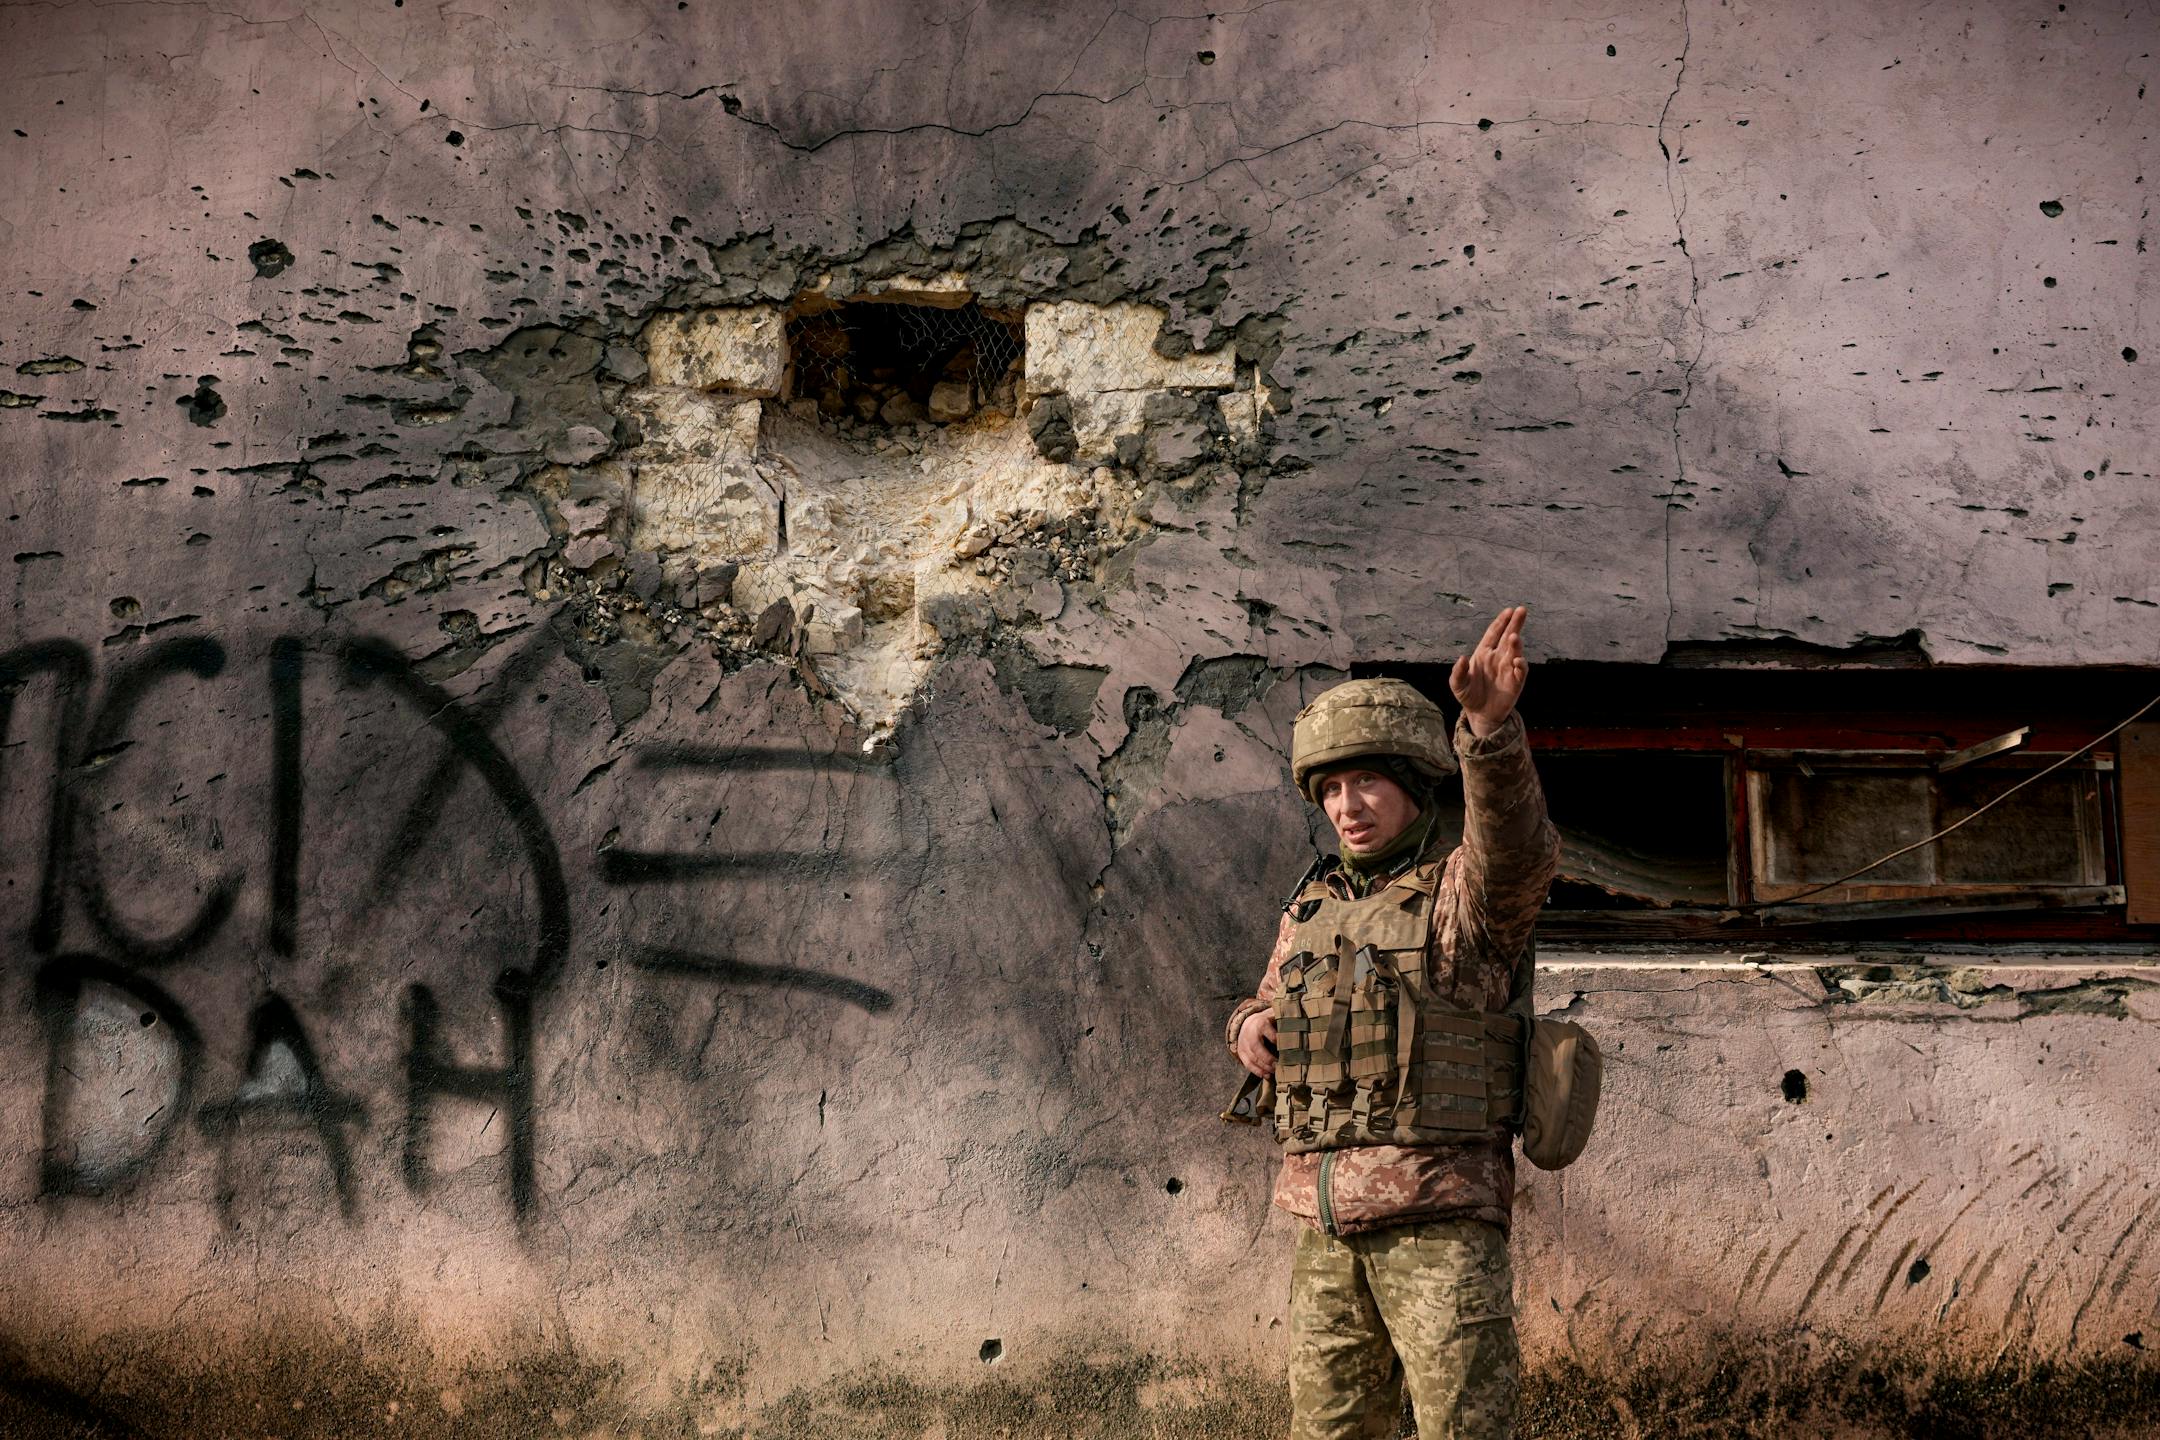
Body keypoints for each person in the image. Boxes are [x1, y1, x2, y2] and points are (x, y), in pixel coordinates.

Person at [1225, 605, 1560, 1439]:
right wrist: (1248, 1026)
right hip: (1325, 1229)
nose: (1348, 806)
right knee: (1330, 1430)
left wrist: (1488, 729)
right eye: (1332, 789)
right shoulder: (1311, 905)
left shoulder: (1464, 898)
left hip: (1438, 1223)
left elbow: (1517, 844)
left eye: (1367, 782)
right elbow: (1268, 998)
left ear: (1412, 787)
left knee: (1465, 1429)